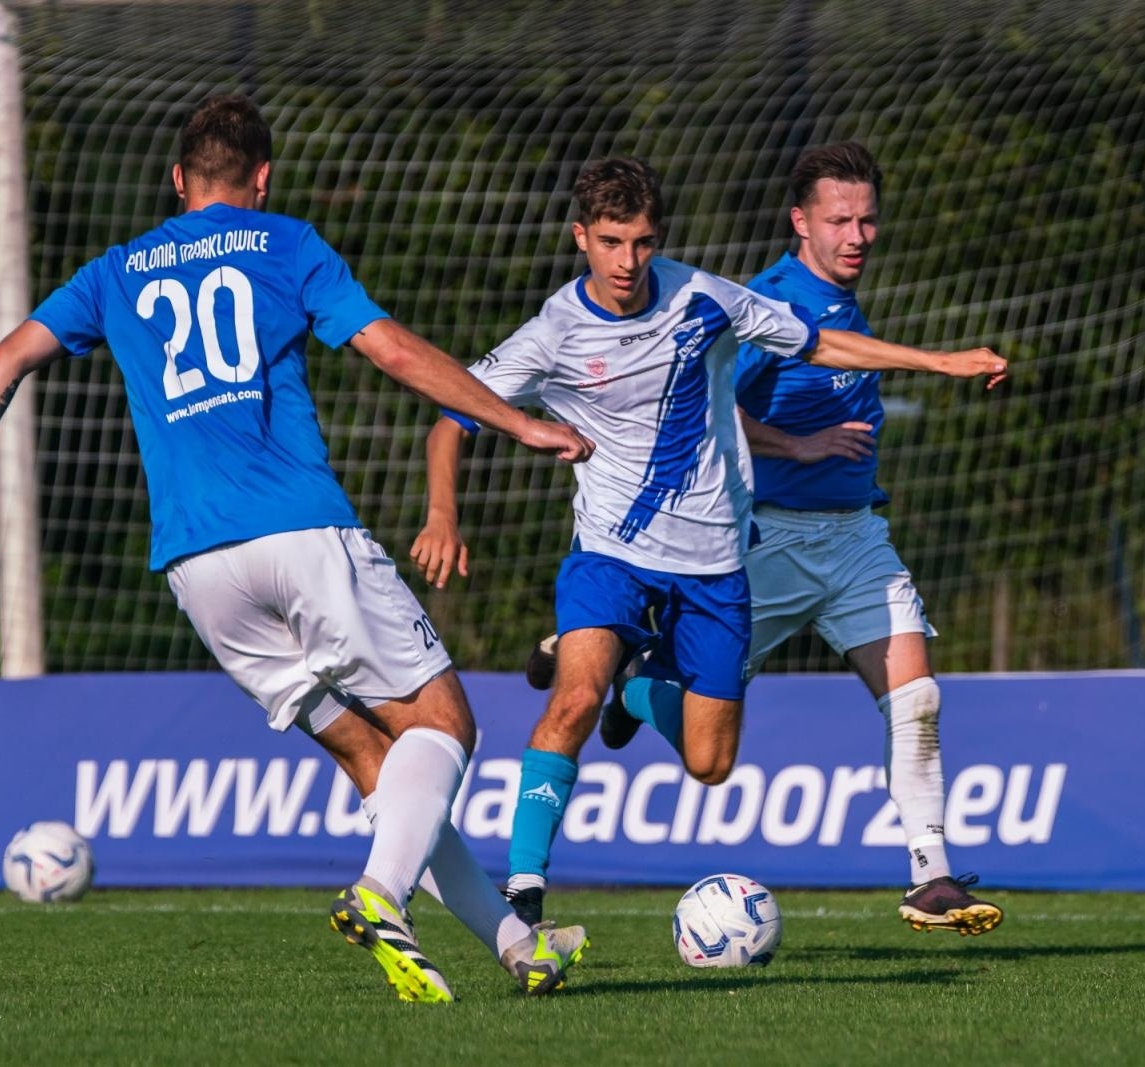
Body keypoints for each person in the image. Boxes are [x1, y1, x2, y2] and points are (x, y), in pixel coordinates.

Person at [0, 94, 593, 1002]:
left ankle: (519, 947)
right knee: (443, 726)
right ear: (264, 177)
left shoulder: (116, 270)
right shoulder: (284, 242)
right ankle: (379, 894)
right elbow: (391, 349)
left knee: (377, 759)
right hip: (298, 533)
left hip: (199, 572)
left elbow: (6, 355)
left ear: (177, 179)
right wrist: (516, 422)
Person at [412, 156, 1006, 927]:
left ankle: (636, 684)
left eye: (644, 242)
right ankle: (522, 893)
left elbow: (816, 345)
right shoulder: (555, 329)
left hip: (718, 564)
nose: (629, 261)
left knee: (711, 762)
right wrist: (441, 515)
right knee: (573, 699)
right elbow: (454, 413)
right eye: (612, 242)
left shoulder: (706, 298)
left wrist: (940, 361)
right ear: (581, 238)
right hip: (616, 553)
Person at [732, 142, 1003, 937]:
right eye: (839, 220)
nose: (857, 235)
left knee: (916, 700)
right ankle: (633, 675)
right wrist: (797, 447)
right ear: (799, 222)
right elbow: (708, 406)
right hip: (770, 542)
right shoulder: (769, 302)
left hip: (856, 541)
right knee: (694, 713)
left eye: (868, 219)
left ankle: (932, 877)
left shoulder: (848, 304)